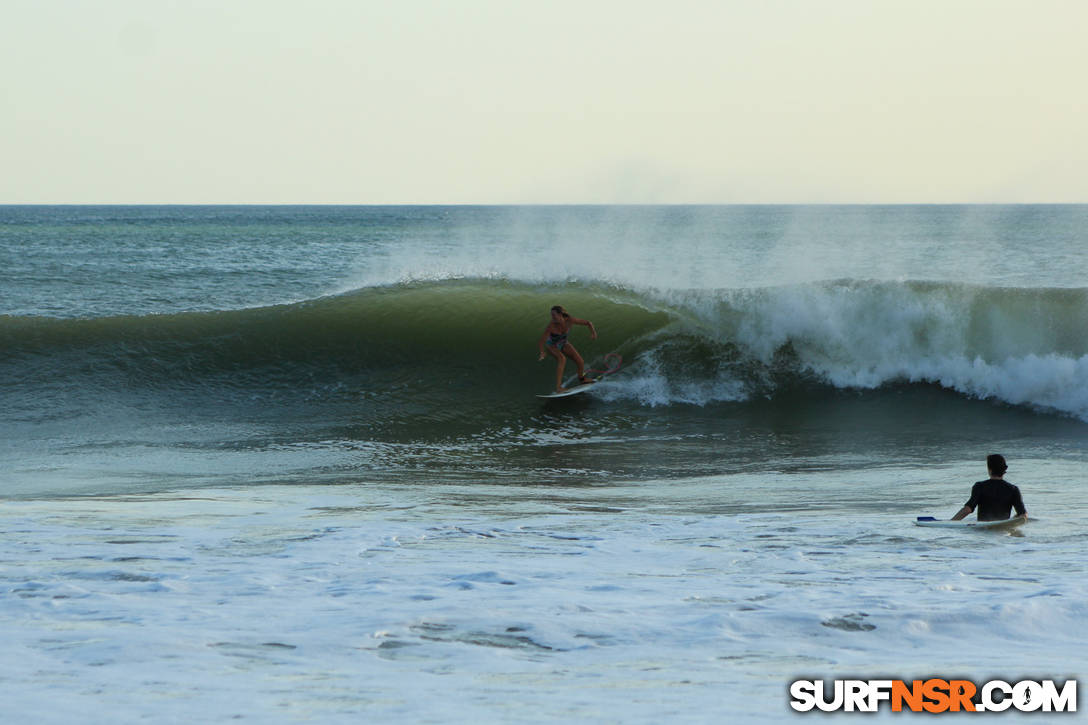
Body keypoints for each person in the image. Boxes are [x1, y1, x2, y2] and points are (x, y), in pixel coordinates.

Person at [537, 305, 597, 393]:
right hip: (552, 345)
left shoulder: (570, 320)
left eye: (554, 315)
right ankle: (558, 388)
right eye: (551, 315)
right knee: (562, 359)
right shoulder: (551, 326)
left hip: (563, 343)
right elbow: (542, 341)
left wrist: (593, 333)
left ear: (560, 314)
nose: (552, 317)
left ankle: (582, 379)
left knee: (580, 361)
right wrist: (542, 352)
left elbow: (588, 323)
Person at [950, 454, 1028, 522]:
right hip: (1003, 529)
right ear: (1004, 470)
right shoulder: (1013, 489)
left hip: (983, 530)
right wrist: (1012, 520)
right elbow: (1023, 515)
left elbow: (968, 509)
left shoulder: (980, 486)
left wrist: (952, 522)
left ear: (989, 470)